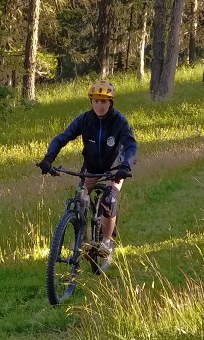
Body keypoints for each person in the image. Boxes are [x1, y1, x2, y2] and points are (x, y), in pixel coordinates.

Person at [37, 79, 138, 257]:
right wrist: (48, 158)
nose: (100, 106)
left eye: (104, 101)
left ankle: (106, 242)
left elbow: (131, 145)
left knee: (109, 200)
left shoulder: (119, 121)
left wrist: (126, 166)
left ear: (110, 102)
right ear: (91, 101)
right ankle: (83, 242)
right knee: (79, 200)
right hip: (91, 166)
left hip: (115, 167)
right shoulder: (84, 119)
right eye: (96, 101)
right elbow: (63, 137)